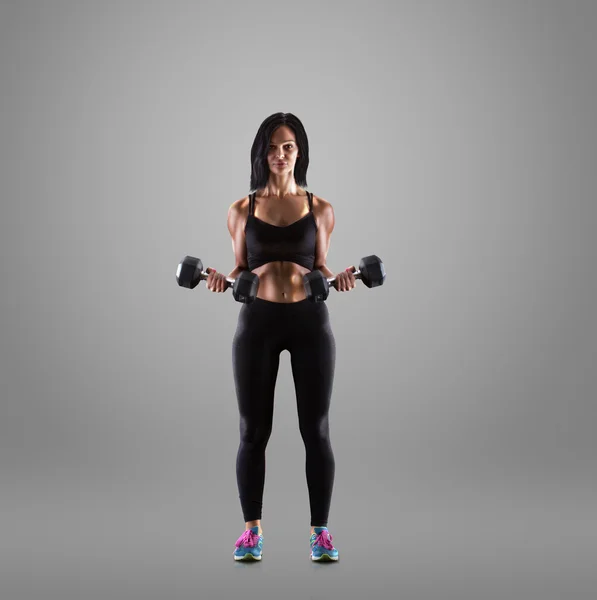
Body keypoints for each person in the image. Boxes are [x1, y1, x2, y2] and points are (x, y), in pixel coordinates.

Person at [205, 113, 356, 562]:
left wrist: (341, 277)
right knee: (254, 430)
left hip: (311, 323)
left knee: (317, 430)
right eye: (272, 147)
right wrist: (219, 278)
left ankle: (320, 533)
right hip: (258, 324)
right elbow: (239, 269)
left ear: (300, 151)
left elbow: (322, 266)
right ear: (261, 153)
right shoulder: (241, 209)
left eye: (288, 146)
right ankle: (251, 531)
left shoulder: (321, 208)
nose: (280, 154)